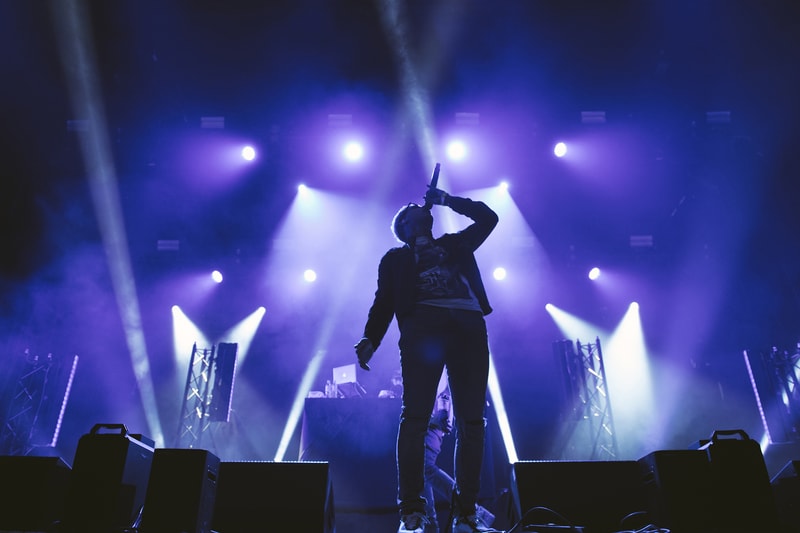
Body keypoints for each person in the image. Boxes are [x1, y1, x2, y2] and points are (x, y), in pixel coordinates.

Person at [354, 183, 498, 533]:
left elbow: (488, 218)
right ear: (405, 225)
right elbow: (384, 301)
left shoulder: (454, 244)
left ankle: (465, 514)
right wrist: (371, 337)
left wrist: (448, 200)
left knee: (472, 421)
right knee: (415, 417)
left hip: (468, 326)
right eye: (410, 208)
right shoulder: (396, 259)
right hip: (423, 331)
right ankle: (412, 512)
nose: (419, 207)